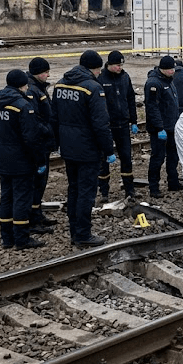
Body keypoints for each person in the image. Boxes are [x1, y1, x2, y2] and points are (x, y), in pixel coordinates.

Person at [49, 50, 115, 247]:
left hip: (68, 148)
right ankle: (83, 234)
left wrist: (56, 144)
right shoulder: (93, 88)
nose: (98, 74)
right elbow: (101, 124)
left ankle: (74, 231)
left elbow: (54, 118)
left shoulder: (60, 84)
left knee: (74, 189)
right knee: (86, 192)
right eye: (98, 70)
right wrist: (109, 149)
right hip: (87, 149)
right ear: (94, 68)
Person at [0, 69, 46, 249]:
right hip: (21, 159)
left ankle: (7, 238)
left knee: (6, 196)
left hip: (2, 157)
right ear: (22, 85)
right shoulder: (22, 105)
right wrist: (39, 159)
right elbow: (31, 138)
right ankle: (21, 238)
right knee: (22, 198)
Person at [97, 50, 139, 200]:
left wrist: (133, 120)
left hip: (122, 124)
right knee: (104, 160)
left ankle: (129, 190)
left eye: (121, 65)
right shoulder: (100, 78)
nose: (119, 68)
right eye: (117, 65)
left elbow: (130, 99)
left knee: (126, 157)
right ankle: (104, 192)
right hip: (107, 126)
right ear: (109, 64)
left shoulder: (125, 77)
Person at [26, 57, 58, 232]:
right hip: (39, 143)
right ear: (38, 73)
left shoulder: (39, 88)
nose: (48, 74)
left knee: (41, 182)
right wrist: (47, 130)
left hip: (44, 143)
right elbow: (34, 120)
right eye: (46, 72)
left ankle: (37, 214)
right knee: (36, 182)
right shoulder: (32, 91)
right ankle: (32, 219)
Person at [144, 55, 182, 198]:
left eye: (173, 68)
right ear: (162, 69)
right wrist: (159, 127)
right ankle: (154, 187)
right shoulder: (154, 83)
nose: (173, 71)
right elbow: (152, 107)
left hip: (172, 126)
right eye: (170, 69)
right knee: (158, 157)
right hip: (160, 129)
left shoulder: (168, 80)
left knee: (173, 157)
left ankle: (173, 182)